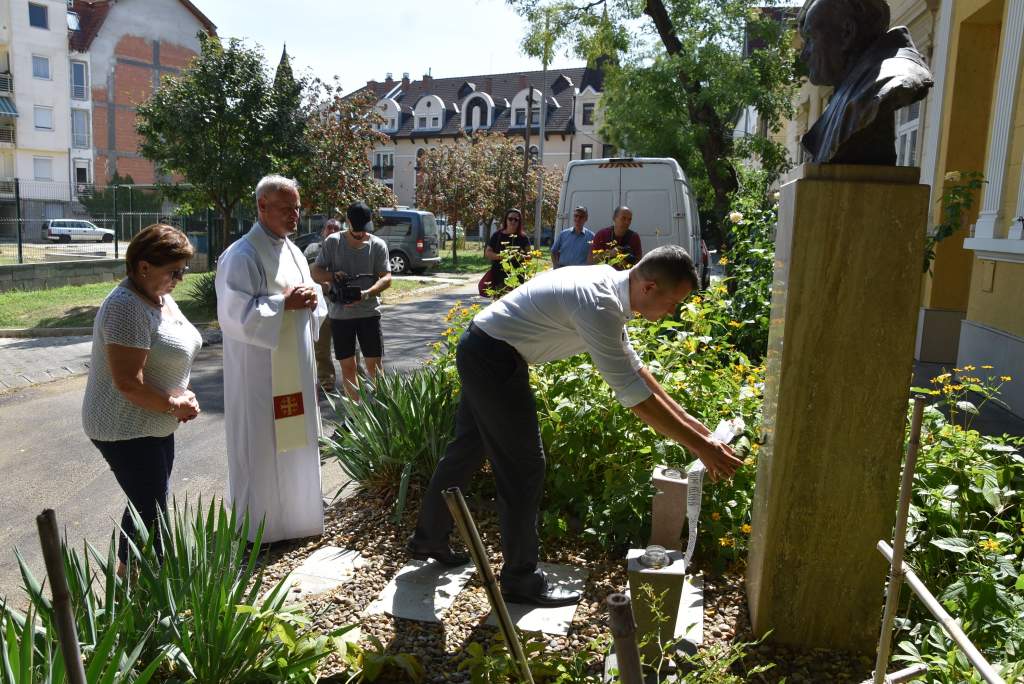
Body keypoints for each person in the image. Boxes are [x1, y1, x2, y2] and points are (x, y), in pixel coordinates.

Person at [408, 246, 743, 607]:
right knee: (524, 468)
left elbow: (637, 370)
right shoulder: (599, 305)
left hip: (485, 347)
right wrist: (702, 448)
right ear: (648, 287)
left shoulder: (610, 290)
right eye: (673, 301)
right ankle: (521, 581)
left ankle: (429, 538)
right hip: (493, 358)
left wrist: (695, 426)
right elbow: (637, 401)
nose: (673, 310)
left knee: (467, 450)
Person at [82, 224, 202, 573]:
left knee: (146, 505)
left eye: (183, 270)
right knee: (151, 511)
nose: (180, 278)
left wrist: (178, 395)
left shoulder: (159, 296)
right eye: (174, 271)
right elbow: (128, 384)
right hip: (124, 426)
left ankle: (130, 582)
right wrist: (173, 403)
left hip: (154, 422)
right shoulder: (126, 307)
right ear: (144, 266)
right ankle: (139, 590)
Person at [215, 174, 327, 544]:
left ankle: (298, 518)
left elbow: (313, 301)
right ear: (262, 206)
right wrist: (284, 303)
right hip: (259, 376)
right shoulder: (241, 255)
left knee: (296, 442)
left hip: (294, 369)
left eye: (297, 208)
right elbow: (235, 317)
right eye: (287, 208)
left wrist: (312, 299)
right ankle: (259, 531)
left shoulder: (293, 250)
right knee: (260, 447)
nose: (295, 216)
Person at [797, 0, 932, 164]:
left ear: (847, 33)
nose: (803, 55)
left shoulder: (891, 77)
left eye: (811, 39)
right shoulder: (846, 93)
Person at [311, 202, 392, 400]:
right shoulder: (333, 242)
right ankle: (356, 417)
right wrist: (332, 275)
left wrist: (367, 293)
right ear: (347, 222)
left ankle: (383, 415)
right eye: (356, 232)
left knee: (375, 366)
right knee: (348, 367)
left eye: (363, 232)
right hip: (340, 315)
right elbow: (315, 272)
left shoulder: (378, 245)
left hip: (369, 314)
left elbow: (386, 277)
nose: (360, 235)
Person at [304, 219, 342, 392]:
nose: (332, 230)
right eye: (329, 227)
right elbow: (304, 273)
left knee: (349, 346)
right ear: (323, 231)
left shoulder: (345, 249)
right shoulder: (312, 249)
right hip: (321, 303)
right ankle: (326, 380)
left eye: (336, 228)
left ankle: (357, 378)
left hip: (341, 303)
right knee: (322, 346)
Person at [483, 208, 533, 297]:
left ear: (519, 222)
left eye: (516, 220)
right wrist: (503, 256)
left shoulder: (523, 237)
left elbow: (529, 255)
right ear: (506, 220)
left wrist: (519, 256)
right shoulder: (497, 235)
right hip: (499, 276)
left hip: (517, 276)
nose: (513, 221)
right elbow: (488, 252)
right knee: (500, 303)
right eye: (510, 219)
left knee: (516, 302)